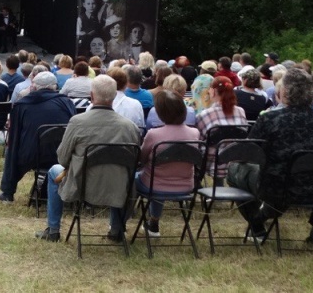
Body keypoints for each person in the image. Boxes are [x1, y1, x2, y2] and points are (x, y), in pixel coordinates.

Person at [226, 68, 313, 242]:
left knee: (234, 170)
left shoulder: (270, 119)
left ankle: (257, 225)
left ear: (284, 91)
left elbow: (249, 152)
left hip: (276, 187)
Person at [37, 75, 141, 242]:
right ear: (114, 96)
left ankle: (53, 229)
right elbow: (134, 162)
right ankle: (116, 230)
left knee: (53, 172)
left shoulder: (77, 122)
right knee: (118, 172)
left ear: (92, 97)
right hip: (119, 187)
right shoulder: (130, 127)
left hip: (82, 186)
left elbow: (62, 159)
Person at [0, 71, 76, 203]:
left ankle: (8, 192)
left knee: (13, 151)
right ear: (54, 86)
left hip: (32, 155)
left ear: (34, 86)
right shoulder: (66, 102)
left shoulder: (22, 105)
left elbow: (14, 137)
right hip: (63, 154)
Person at [136, 90, 201, 237]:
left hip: (153, 185)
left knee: (132, 179)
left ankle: (119, 223)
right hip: (186, 186)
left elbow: (142, 159)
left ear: (160, 113)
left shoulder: (154, 134)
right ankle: (153, 224)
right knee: (156, 175)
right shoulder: (194, 134)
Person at [196, 76, 248, 182]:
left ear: (214, 91)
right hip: (235, 160)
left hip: (212, 162)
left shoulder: (204, 115)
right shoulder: (241, 111)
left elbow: (198, 141)